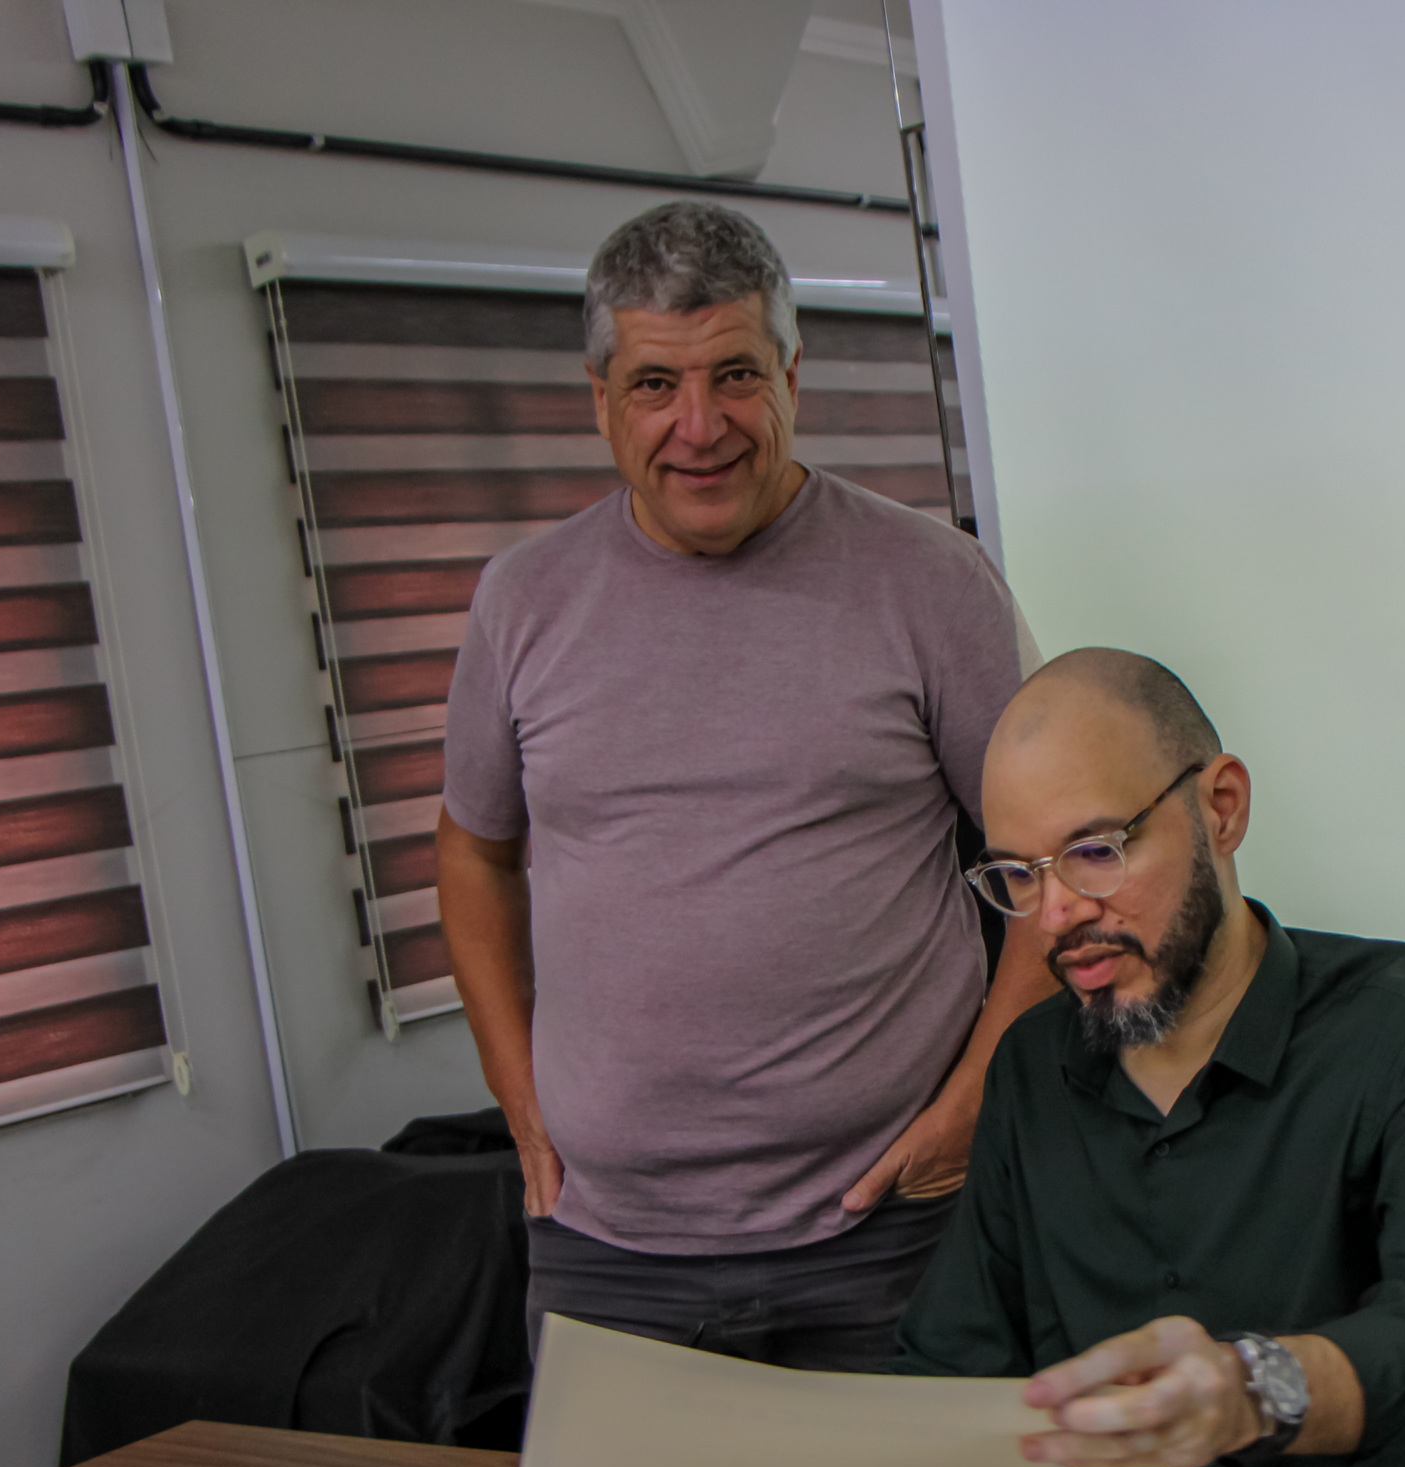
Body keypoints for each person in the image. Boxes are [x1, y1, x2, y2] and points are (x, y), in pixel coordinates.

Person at [438, 200, 1054, 1371]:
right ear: (600, 399)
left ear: (791, 376)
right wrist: (519, 1096)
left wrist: (976, 1100)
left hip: (893, 1229)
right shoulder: (522, 601)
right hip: (606, 1250)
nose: (700, 425)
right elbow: (473, 850)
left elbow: (1056, 862)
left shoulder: (931, 582)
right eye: (654, 385)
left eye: (735, 375)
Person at [893, 650, 1405, 1467]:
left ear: (1222, 808)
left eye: (1095, 852)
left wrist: (1253, 1389)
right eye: (1019, 873)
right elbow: (949, 1369)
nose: (1056, 914)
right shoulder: (1031, 1070)